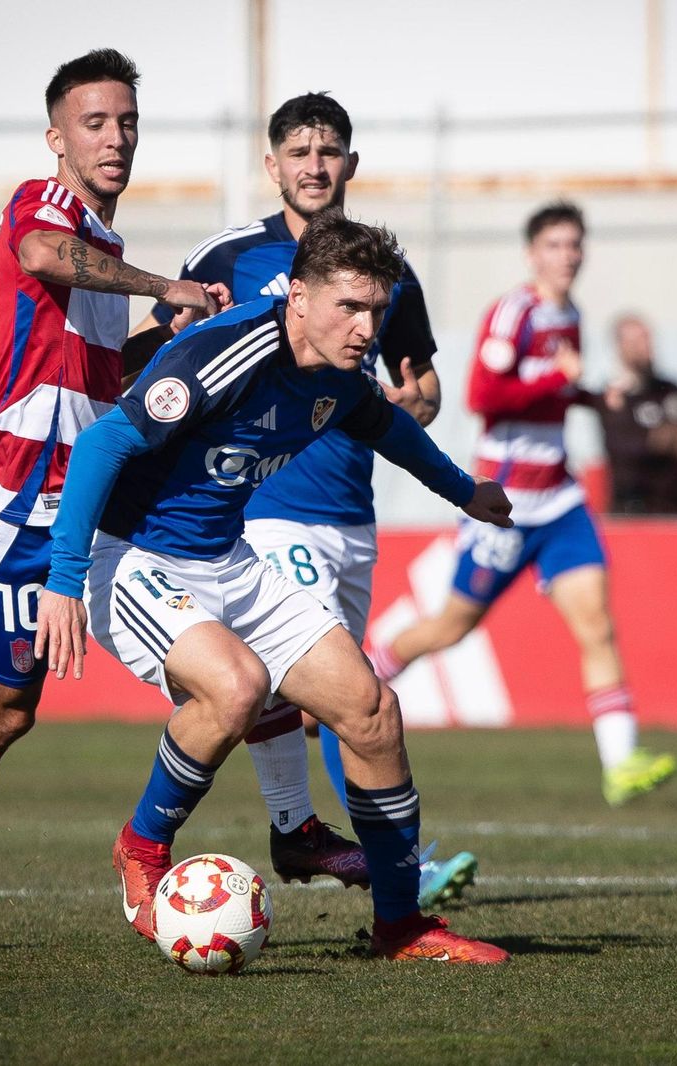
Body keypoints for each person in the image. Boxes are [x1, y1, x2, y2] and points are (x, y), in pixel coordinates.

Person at [35, 212, 513, 964]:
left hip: (228, 561)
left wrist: (464, 491)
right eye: (349, 307)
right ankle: (141, 846)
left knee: (371, 711)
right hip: (131, 559)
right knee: (236, 688)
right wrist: (63, 580)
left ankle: (401, 928)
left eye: (376, 312)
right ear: (297, 295)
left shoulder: (340, 374)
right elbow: (104, 441)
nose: (365, 329)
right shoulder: (231, 351)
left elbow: (389, 429)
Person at [0, 49, 229, 952]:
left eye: (126, 121)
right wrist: (164, 284)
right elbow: (47, 254)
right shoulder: (40, 209)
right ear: (57, 138)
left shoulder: (106, 254)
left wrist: (160, 335)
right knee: (10, 707)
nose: (115, 136)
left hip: (97, 503)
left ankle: (177, 843)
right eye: (94, 122)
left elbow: (90, 371)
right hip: (18, 508)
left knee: (220, 670)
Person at [130, 94, 476, 908]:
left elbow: (418, 388)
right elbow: (159, 351)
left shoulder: (387, 274)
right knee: (305, 690)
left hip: (351, 511)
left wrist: (401, 408)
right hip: (263, 509)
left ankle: (327, 848)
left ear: (350, 165)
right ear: (272, 165)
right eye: (298, 151)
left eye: (329, 152)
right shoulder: (231, 255)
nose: (314, 165)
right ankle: (302, 830)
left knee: (347, 702)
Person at [367, 202, 677, 807]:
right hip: (506, 502)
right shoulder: (515, 312)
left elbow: (554, 391)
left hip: (559, 500)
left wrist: (588, 396)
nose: (568, 256)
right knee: (451, 628)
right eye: (556, 245)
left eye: (575, 245)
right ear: (533, 253)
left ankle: (622, 762)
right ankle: (364, 675)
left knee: (597, 624)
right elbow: (486, 395)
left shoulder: (571, 315)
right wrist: (558, 381)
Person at [581, 312, 677, 515]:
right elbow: (630, 445)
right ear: (621, 346)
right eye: (637, 340)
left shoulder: (670, 389)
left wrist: (669, 438)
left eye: (647, 338)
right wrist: (676, 437)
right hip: (637, 509)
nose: (645, 346)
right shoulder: (615, 396)